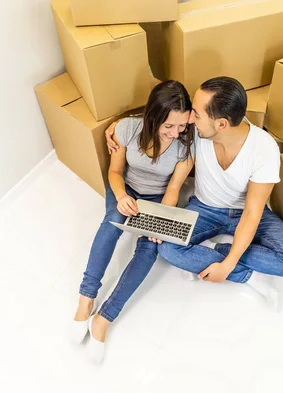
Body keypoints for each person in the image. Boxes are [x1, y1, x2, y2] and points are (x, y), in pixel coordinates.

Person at [106, 77, 283, 305]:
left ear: (221, 124)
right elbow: (158, 116)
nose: (189, 118)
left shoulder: (263, 148)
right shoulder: (195, 131)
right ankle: (248, 275)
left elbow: (253, 213)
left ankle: (215, 249)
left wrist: (229, 262)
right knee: (168, 249)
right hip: (205, 208)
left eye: (196, 113)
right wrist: (116, 127)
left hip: (247, 212)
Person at [71, 80, 195, 364]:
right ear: (153, 118)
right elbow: (115, 171)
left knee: (150, 247)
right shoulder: (127, 129)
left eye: (181, 126)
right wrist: (122, 196)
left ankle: (104, 318)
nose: (176, 133)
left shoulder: (185, 145)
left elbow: (174, 189)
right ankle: (86, 297)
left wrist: (160, 221)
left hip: (158, 198)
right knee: (112, 221)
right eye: (168, 127)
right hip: (126, 189)